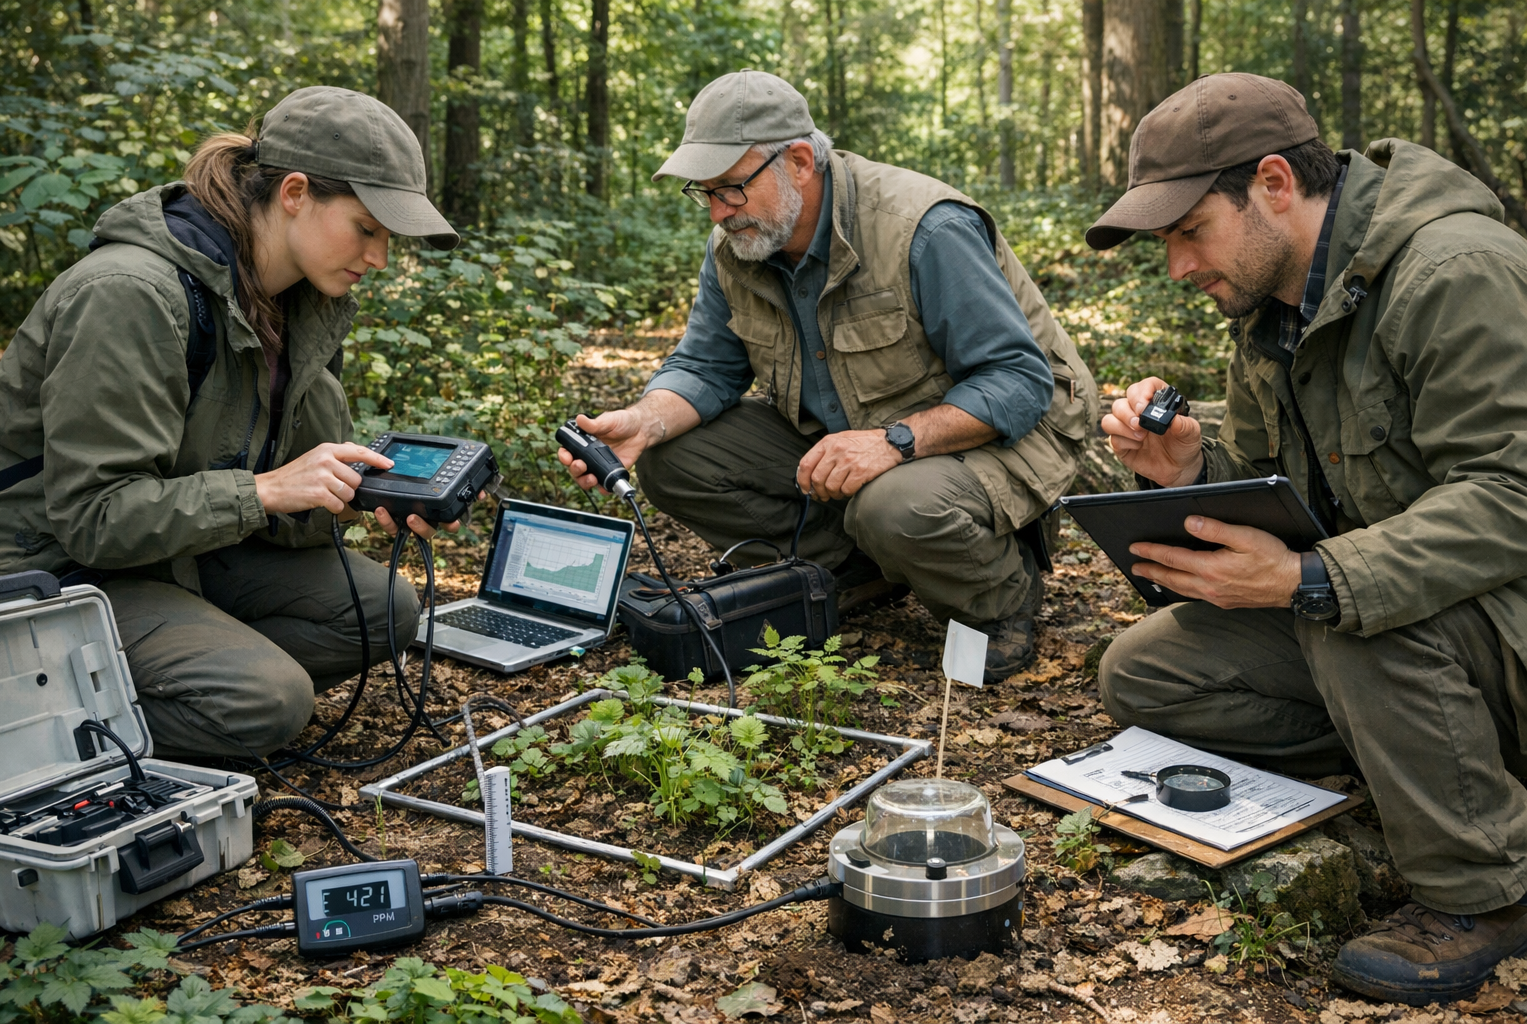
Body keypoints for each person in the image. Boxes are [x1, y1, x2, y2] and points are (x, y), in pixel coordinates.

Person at [1090, 72, 1527, 1005]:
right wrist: (1184, 476)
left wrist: (1313, 577)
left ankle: (1484, 890)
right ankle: (1423, 764)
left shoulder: (1454, 270)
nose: (1177, 267)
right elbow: (1277, 501)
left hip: (1498, 613)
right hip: (1408, 619)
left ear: (1277, 184)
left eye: (1189, 231)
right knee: (1143, 674)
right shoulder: (1272, 310)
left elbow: (1512, 493)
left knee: (1340, 610)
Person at [559, 70, 1096, 680]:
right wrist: (643, 420)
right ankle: (856, 571)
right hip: (851, 431)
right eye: (703, 192)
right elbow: (707, 365)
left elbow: (1017, 382)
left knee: (893, 505)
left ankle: (998, 605)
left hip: (1004, 429)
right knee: (671, 458)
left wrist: (892, 443)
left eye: (730, 189)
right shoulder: (739, 244)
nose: (717, 212)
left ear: (798, 161)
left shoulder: (923, 228)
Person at [0, 86, 462, 760]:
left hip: (168, 551)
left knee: (383, 608)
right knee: (265, 700)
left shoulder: (293, 302)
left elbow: (269, 490)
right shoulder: (131, 294)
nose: (380, 257)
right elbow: (93, 516)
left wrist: (356, 496)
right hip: (49, 575)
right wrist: (265, 492)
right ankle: (34, 722)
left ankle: (190, 672)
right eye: (367, 227)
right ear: (294, 193)